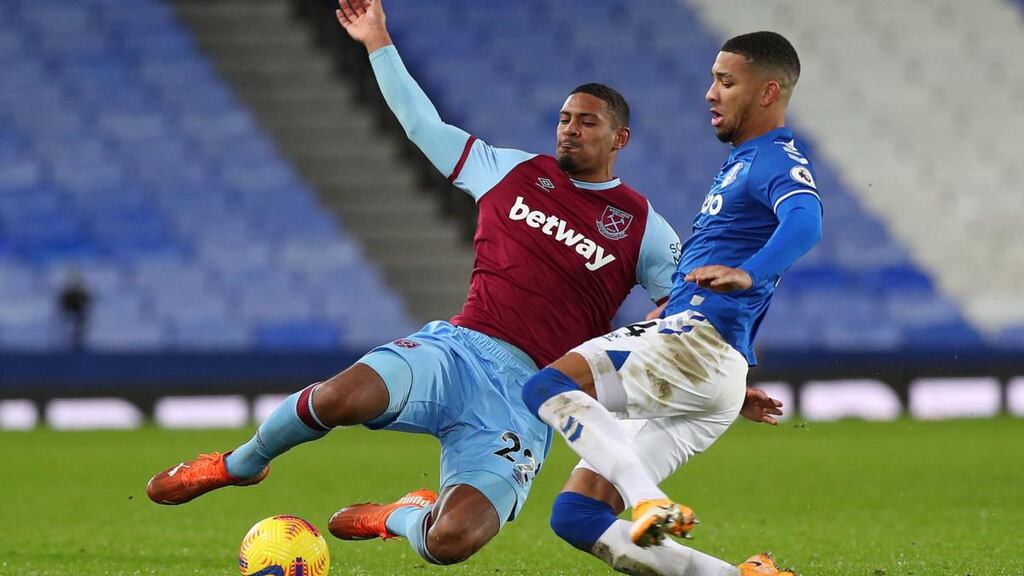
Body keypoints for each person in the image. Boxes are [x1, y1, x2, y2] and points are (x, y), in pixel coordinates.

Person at [146, 0, 687, 567]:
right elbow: (421, 126)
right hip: (458, 350)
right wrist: (378, 40)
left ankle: (397, 515)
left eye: (587, 122)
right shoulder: (511, 171)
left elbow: (682, 312)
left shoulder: (643, 226)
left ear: (620, 138)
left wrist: (718, 375)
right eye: (564, 119)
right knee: (339, 397)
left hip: (531, 399)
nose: (570, 130)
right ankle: (243, 464)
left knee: (450, 542)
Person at [521, 31, 821, 576]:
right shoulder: (743, 161)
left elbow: (806, 221)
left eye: (726, 82)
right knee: (577, 514)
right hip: (711, 367)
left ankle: (647, 501)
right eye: (712, 79)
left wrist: (747, 275)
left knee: (546, 385)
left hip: (700, 346)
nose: (710, 92)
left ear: (768, 92)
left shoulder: (773, 159)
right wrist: (722, 372)